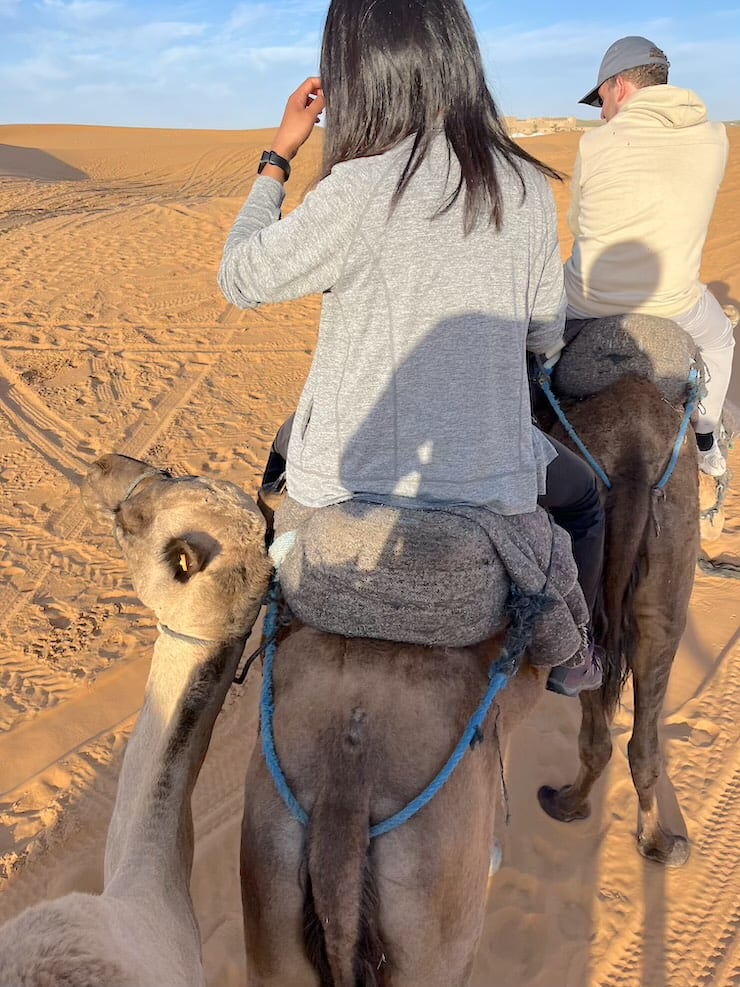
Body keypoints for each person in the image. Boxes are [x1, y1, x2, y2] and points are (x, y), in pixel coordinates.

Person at [218, 0, 604, 695]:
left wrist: (277, 157)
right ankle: (575, 660)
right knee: (584, 502)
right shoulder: (523, 186)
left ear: (356, 74)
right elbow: (545, 330)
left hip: (344, 479)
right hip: (489, 485)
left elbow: (240, 277)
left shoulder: (359, 186)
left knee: (281, 460)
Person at [565, 35, 734, 477]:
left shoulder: (595, 144)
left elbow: (578, 225)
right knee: (720, 343)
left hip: (586, 299)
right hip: (676, 302)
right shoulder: (716, 139)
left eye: (602, 98)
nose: (602, 113)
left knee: (524, 341)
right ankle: (706, 441)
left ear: (620, 86)